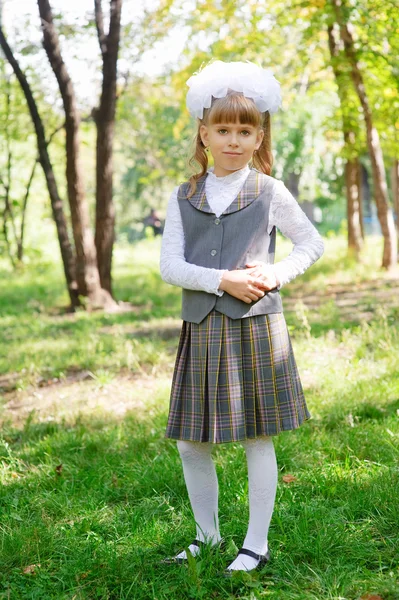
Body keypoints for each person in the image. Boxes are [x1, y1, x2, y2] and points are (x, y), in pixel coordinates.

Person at [159, 60, 324, 575]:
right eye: (223, 129)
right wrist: (222, 280)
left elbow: (311, 244)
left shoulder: (270, 192)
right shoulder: (184, 195)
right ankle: (208, 536)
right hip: (204, 327)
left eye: (245, 130)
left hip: (255, 328)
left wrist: (275, 274)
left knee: (257, 434)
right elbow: (170, 267)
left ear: (258, 137)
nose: (233, 139)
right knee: (191, 439)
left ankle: (256, 542)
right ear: (204, 134)